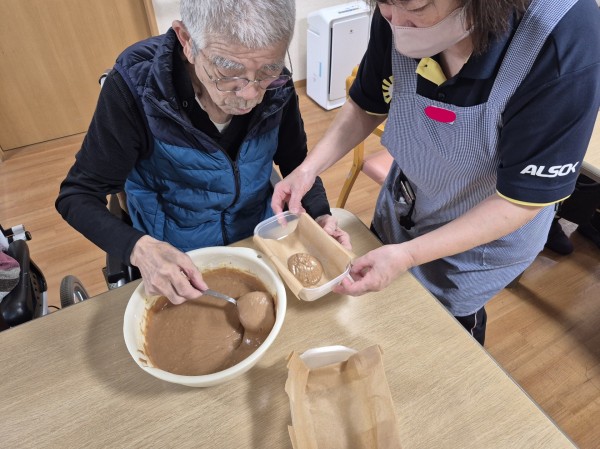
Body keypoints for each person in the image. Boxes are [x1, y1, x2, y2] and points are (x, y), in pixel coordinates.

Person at [272, 0, 600, 345]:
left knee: (439, 336)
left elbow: (519, 201)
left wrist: (409, 255)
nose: (396, 22)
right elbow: (367, 105)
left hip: (481, 239)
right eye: (384, 5)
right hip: (407, 202)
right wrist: (309, 169)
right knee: (376, 317)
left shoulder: (563, 40)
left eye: (417, 8)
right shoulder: (396, 12)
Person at [56, 0, 349, 305]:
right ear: (187, 41)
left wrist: (321, 214)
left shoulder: (276, 87)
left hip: (259, 241)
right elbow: (77, 195)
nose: (250, 95)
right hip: (179, 258)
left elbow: (296, 162)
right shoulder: (136, 91)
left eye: (268, 70)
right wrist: (139, 249)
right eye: (229, 72)